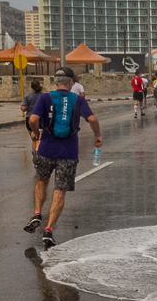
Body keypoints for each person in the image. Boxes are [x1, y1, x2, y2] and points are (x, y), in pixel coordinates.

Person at [24, 67, 102, 249]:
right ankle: (49, 229)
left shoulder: (45, 98)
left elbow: (33, 120)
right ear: (70, 82)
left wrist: (35, 134)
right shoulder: (78, 100)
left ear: (56, 82)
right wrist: (97, 135)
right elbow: (92, 119)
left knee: (42, 180)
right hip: (68, 151)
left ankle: (37, 213)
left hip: (45, 149)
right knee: (60, 189)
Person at [22, 78, 43, 151]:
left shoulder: (27, 96)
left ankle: (35, 154)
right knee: (39, 138)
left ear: (31, 86)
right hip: (41, 118)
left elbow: (23, 108)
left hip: (30, 118)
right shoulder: (44, 96)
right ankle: (38, 153)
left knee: (33, 139)